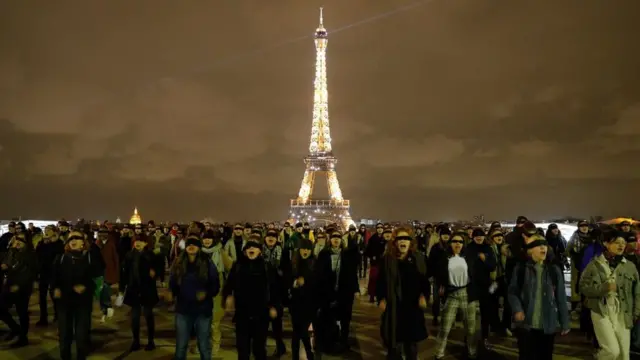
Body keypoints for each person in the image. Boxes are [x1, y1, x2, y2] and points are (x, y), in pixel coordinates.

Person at [508, 233, 570, 360]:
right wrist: (518, 309)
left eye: (545, 245)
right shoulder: (521, 269)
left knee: (545, 356)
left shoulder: (554, 270)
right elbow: (512, 292)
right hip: (526, 325)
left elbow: (561, 297)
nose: (543, 248)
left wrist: (565, 322)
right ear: (530, 250)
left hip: (547, 325)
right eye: (539, 246)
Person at [580, 231, 640, 360]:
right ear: (606, 243)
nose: (621, 245)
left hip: (623, 311)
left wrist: (636, 312)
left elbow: (637, 291)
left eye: (623, 243)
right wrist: (603, 288)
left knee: (624, 354)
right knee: (612, 351)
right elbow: (583, 288)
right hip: (601, 310)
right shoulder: (594, 265)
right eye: (617, 242)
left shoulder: (630, 266)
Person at [223, 235, 281, 360]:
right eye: (248, 247)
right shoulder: (238, 266)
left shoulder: (267, 267)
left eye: (255, 247)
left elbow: (275, 289)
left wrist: (274, 306)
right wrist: (228, 297)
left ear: (260, 251)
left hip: (261, 314)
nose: (251, 249)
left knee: (259, 349)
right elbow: (229, 285)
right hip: (242, 314)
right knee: (243, 350)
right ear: (245, 251)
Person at [377, 228, 429, 359]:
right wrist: (381, 298)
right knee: (395, 343)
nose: (403, 241)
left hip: (412, 307)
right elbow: (381, 282)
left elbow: (424, 281)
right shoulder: (387, 259)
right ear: (394, 242)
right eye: (400, 239)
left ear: (411, 242)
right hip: (394, 307)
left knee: (411, 345)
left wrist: (424, 296)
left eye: (406, 238)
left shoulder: (418, 259)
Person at [51, 231, 102, 360]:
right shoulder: (60, 258)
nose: (73, 240)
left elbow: (98, 278)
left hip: (82, 302)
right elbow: (53, 278)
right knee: (64, 334)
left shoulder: (89, 258)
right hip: (64, 302)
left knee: (81, 334)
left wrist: (86, 286)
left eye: (77, 238)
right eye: (70, 238)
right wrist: (56, 288)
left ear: (83, 242)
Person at [169, 235, 220, 360]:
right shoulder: (178, 262)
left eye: (194, 244)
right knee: (181, 346)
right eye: (189, 244)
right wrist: (171, 293)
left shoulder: (207, 263)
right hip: (183, 310)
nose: (191, 247)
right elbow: (173, 283)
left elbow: (215, 285)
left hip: (202, 310)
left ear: (199, 247)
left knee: (203, 345)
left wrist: (206, 293)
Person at [119, 234, 159, 351]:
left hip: (147, 289)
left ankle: (151, 341)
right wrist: (122, 289)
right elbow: (124, 273)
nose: (138, 243)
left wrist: (154, 272)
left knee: (148, 315)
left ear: (146, 243)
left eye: (141, 241)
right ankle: (135, 340)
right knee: (135, 317)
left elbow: (158, 269)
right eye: (136, 240)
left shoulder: (151, 255)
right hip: (133, 288)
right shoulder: (129, 255)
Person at [0, 232, 37, 347]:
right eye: (17, 239)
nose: (18, 242)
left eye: (22, 240)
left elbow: (32, 273)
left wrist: (19, 285)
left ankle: (23, 337)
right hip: (9, 286)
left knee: (22, 313)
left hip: (22, 288)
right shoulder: (12, 252)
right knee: (1, 308)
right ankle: (15, 329)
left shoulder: (31, 255)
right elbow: (6, 265)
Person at [289, 238, 318, 360]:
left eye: (307, 249)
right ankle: (305, 354)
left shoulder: (315, 264)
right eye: (303, 249)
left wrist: (306, 282)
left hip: (309, 303)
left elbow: (318, 282)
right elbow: (287, 280)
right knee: (298, 330)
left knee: (300, 331)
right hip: (295, 303)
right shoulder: (294, 263)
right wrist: (295, 282)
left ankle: (304, 354)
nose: (305, 251)